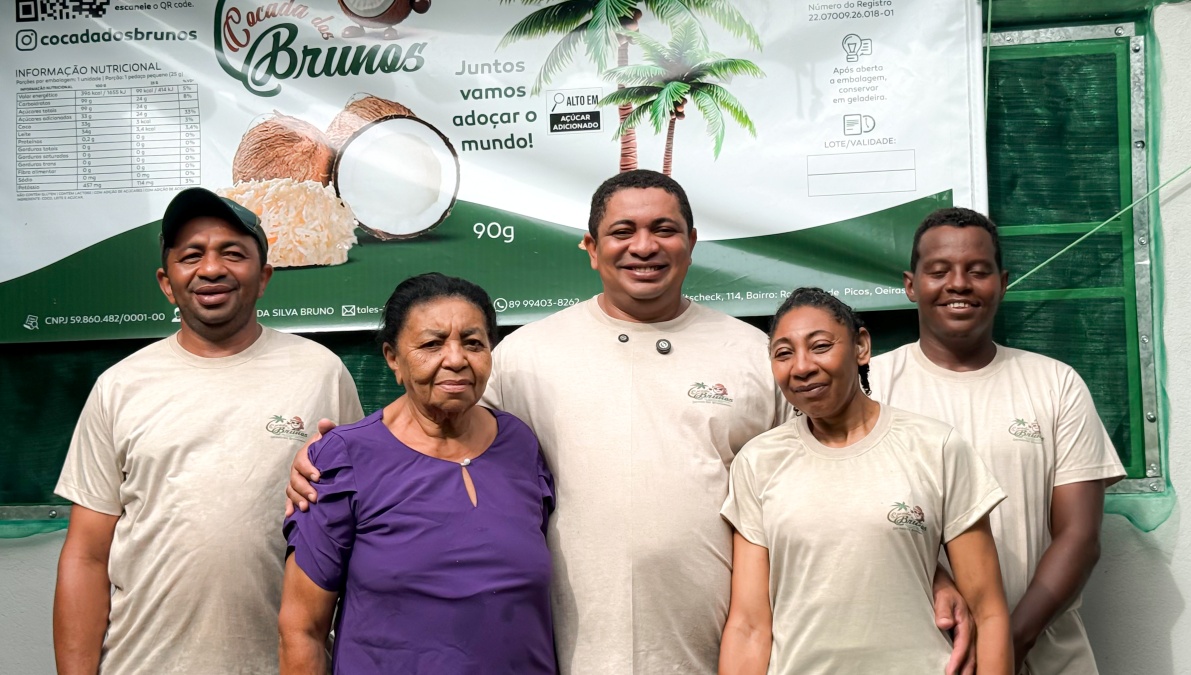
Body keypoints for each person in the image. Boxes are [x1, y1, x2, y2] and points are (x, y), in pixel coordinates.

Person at [288, 170, 975, 674]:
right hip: (568, 653)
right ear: (591, 248)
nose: (643, 245)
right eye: (622, 231)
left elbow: (821, 473)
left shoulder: (753, 354)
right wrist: (335, 458)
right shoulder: (526, 356)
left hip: (721, 649)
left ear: (692, 243)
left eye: (663, 229)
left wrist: (928, 566)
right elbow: (435, 427)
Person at [52, 187, 363, 675]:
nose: (212, 268)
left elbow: (357, 535)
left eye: (233, 253)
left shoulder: (321, 373)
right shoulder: (119, 387)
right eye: (191, 255)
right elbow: (86, 556)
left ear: (264, 277)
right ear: (166, 282)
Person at [870, 207, 1126, 674]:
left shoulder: (1056, 385)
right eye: (939, 271)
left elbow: (1080, 537)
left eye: (978, 271)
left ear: (1002, 283)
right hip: (918, 656)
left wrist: (1006, 644)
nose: (959, 284)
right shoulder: (871, 387)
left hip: (1043, 654)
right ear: (911, 285)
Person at [719, 287, 1012, 675]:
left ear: (861, 346)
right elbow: (749, 626)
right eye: (783, 353)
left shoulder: (936, 447)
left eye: (820, 346)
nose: (802, 367)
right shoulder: (758, 462)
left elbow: (988, 613)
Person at [278, 273, 556, 674]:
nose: (456, 359)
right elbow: (301, 630)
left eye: (473, 343)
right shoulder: (343, 459)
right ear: (393, 358)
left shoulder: (520, 444)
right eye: (431, 344)